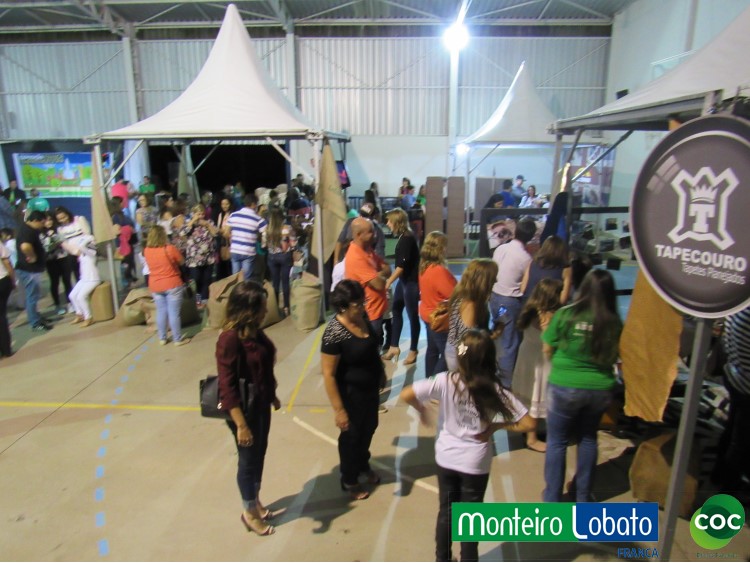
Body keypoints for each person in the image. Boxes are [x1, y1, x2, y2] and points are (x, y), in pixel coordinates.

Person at [400, 329, 533, 562]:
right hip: (475, 462)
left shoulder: (445, 380)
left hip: (446, 457)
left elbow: (407, 393)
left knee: (447, 512)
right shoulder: (495, 390)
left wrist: (422, 410)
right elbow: (529, 422)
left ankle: (442, 558)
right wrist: (495, 427)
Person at [542, 269, 623, 502]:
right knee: (588, 439)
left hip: (564, 385)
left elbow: (547, 347)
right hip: (600, 388)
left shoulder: (566, 314)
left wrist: (561, 367)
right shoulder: (614, 322)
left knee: (557, 441)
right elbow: (617, 356)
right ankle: (583, 497)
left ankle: (552, 498)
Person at [216, 280, 281, 536]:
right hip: (242, 411)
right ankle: (248, 512)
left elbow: (264, 366)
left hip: (261, 403)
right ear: (248, 309)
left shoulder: (254, 331)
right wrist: (241, 425)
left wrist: (272, 394)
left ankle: (255, 499)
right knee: (247, 460)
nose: (266, 311)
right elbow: (227, 385)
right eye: (262, 307)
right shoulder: (229, 339)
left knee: (259, 454)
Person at [321, 280, 385, 501]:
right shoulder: (334, 333)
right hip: (350, 395)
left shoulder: (362, 318)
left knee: (369, 428)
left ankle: (362, 464)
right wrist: (339, 410)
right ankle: (349, 478)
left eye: (362, 302)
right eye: (357, 304)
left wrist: (380, 372)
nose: (362, 307)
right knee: (351, 437)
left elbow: (371, 350)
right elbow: (329, 374)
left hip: (369, 391)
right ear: (342, 307)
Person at [513, 278, 563, 452]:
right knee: (540, 396)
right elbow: (548, 345)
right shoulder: (550, 316)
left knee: (529, 396)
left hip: (526, 355)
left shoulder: (529, 310)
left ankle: (529, 432)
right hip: (542, 361)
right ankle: (532, 438)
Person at [490, 218, 536, 388]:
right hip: (509, 302)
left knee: (498, 334)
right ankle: (506, 383)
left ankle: (495, 371)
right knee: (509, 342)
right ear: (531, 237)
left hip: (494, 298)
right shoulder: (526, 258)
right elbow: (524, 286)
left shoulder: (501, 249)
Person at [712, 305, 750, 501]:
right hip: (746, 385)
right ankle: (729, 488)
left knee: (732, 430)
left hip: (735, 375)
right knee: (741, 441)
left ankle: (719, 473)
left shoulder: (739, 306)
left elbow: (726, 341)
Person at [445, 259, 498, 371]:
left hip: (455, 351)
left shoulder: (461, 293)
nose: (496, 281)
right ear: (484, 281)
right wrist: (494, 335)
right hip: (462, 356)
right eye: (493, 278)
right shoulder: (470, 305)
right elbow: (467, 340)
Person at [383, 208, 420, 366]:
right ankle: (393, 346)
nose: (387, 223)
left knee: (412, 316)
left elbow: (401, 267)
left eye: (389, 221)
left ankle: (413, 350)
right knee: (396, 310)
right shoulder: (403, 237)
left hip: (410, 283)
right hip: (404, 282)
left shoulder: (407, 239)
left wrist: (388, 282)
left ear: (397, 222)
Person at [343, 217, 391, 340]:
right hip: (369, 315)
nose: (375, 235)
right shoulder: (356, 257)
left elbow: (388, 268)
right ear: (359, 235)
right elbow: (379, 284)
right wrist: (380, 275)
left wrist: (378, 274)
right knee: (370, 346)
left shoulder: (367, 249)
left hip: (376, 311)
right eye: (370, 232)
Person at [142, 225, 190, 346]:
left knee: (161, 311)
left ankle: (162, 338)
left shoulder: (146, 250)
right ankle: (177, 339)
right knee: (174, 313)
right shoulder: (169, 249)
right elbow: (182, 261)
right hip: (172, 283)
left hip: (155, 285)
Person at [418, 231, 456, 378]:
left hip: (427, 314)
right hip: (439, 318)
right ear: (440, 249)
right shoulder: (439, 271)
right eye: (445, 246)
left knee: (432, 350)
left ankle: (428, 380)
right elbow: (453, 294)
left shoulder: (424, 267)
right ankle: (434, 384)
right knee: (448, 354)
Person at [15, 210, 51, 332]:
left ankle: (36, 316)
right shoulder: (28, 231)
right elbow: (25, 246)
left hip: (31, 269)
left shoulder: (29, 229)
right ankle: (35, 322)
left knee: (33, 295)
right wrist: (33, 256)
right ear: (35, 221)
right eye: (42, 223)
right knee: (32, 296)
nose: (43, 225)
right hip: (29, 270)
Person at [180, 203, 218, 307]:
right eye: (198, 214)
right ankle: (197, 298)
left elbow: (215, 233)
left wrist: (208, 225)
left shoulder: (209, 222)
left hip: (208, 257)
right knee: (196, 278)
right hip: (194, 258)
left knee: (207, 279)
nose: (201, 216)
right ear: (193, 214)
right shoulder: (188, 223)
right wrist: (193, 221)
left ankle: (205, 300)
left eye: (202, 214)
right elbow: (182, 233)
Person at [521, 235, 572, 306]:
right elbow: (563, 299)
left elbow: (523, 289)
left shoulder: (533, 263)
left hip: (528, 305)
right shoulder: (566, 270)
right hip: (547, 308)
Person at [227, 193, 267, 281]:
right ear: (253, 204)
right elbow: (265, 234)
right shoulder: (258, 219)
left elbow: (227, 232)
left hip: (235, 250)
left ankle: (236, 289)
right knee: (246, 278)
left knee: (235, 278)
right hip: (248, 251)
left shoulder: (233, 215)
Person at [65, 234, 101, 327]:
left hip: (93, 279)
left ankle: (88, 317)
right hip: (84, 279)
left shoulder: (92, 253)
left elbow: (82, 247)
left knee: (81, 297)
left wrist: (88, 238)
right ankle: (79, 314)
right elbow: (75, 249)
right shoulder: (82, 253)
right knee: (72, 295)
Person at [40, 213, 72, 315]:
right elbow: (45, 248)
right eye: (46, 220)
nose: (48, 222)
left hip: (63, 257)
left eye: (50, 220)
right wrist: (50, 239)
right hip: (51, 261)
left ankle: (70, 303)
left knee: (67, 281)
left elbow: (64, 241)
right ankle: (57, 305)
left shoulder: (59, 230)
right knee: (55, 282)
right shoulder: (41, 234)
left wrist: (56, 237)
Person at [265, 207, 295, 317]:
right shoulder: (287, 228)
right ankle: (286, 307)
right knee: (285, 282)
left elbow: (264, 244)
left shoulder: (267, 230)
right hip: (285, 256)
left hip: (272, 257)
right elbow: (293, 244)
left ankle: (275, 307)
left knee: (275, 283)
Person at [0, 238, 15, 358]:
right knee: (2, 316)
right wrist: (13, 280)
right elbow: (7, 262)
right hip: (3, 280)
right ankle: (6, 349)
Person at [215, 196, 234, 280]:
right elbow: (219, 228)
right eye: (223, 204)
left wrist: (221, 230)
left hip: (231, 242)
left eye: (227, 204)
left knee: (230, 264)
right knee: (223, 263)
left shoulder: (232, 215)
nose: (224, 206)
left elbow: (226, 230)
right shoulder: (220, 215)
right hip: (223, 242)